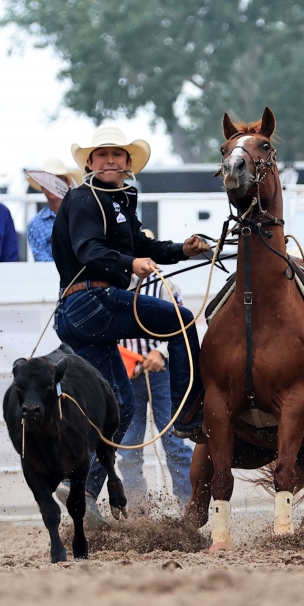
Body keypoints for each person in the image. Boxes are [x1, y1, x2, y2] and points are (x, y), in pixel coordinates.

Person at [50, 126, 210, 525]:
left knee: (121, 407)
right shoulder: (85, 198)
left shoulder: (119, 200)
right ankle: (188, 414)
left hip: (77, 315)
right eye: (101, 154)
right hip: (92, 302)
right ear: (90, 163)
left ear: (126, 164)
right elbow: (90, 249)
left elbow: (144, 246)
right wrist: (128, 264)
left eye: (116, 155)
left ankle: (83, 490)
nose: (109, 160)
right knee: (182, 321)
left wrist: (180, 249)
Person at [117, 263, 193, 510]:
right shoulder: (112, 284)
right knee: (129, 450)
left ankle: (189, 508)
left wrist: (161, 352)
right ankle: (138, 512)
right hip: (127, 376)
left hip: (161, 375)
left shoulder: (162, 284)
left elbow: (183, 323)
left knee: (175, 444)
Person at [26, 159, 83, 262]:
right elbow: (43, 262)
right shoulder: (35, 225)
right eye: (48, 181)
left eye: (58, 180)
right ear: (42, 186)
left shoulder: (85, 214)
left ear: (68, 183)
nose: (53, 185)